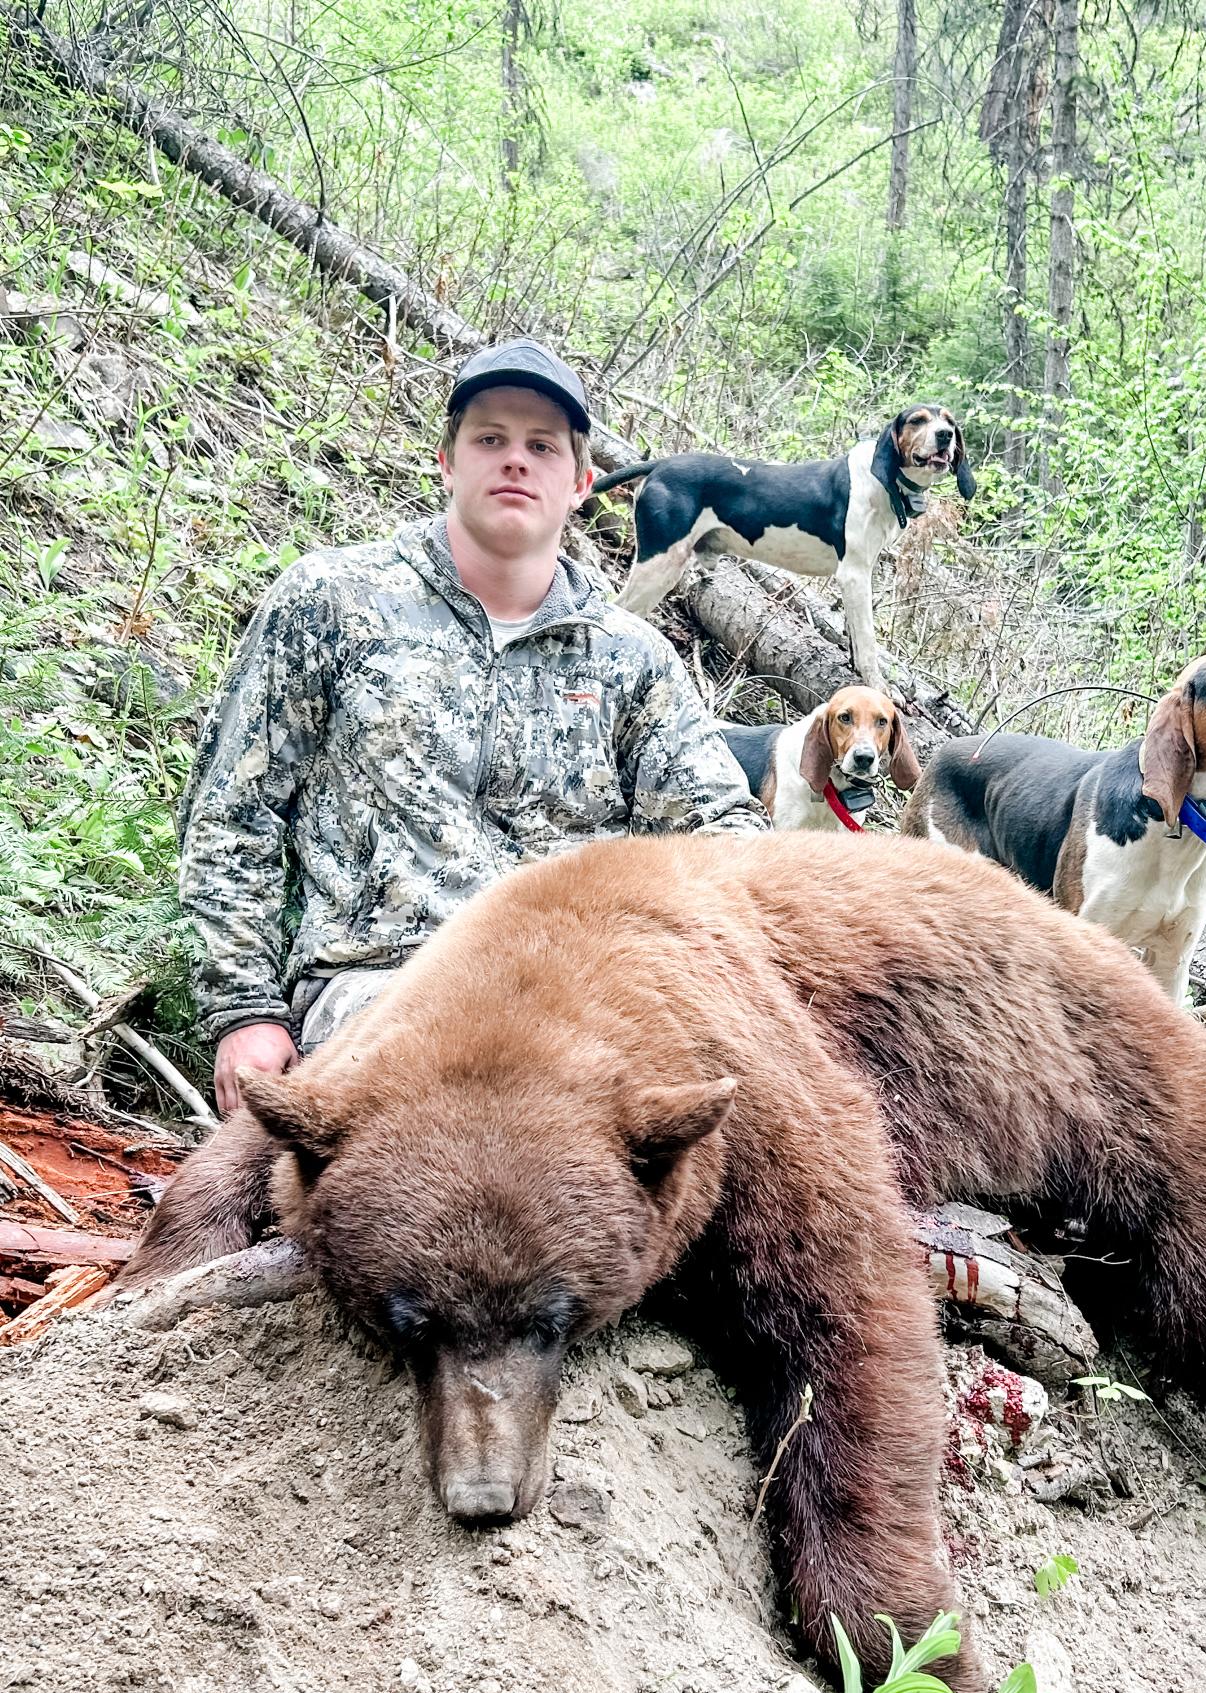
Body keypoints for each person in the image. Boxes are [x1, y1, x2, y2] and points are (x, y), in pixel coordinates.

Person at [177, 338, 768, 1114]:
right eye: (490, 439)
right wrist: (244, 1010)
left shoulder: (633, 657)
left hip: (582, 1000)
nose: (515, 460)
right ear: (447, 464)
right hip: (381, 990)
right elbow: (233, 814)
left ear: (581, 483)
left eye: (542, 446)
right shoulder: (332, 603)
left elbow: (722, 847)